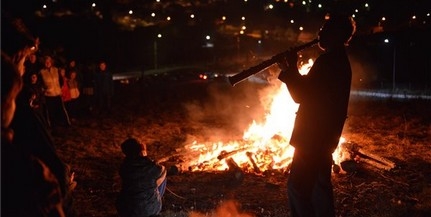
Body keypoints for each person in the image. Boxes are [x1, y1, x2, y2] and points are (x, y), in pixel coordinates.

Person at [276, 13, 356, 217]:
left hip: (311, 137)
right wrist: (289, 70)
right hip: (326, 136)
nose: (320, 33)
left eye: (325, 29)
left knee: (298, 189)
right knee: (319, 188)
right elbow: (311, 92)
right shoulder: (339, 62)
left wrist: (290, 68)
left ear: (337, 34)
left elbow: (301, 95)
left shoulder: (328, 62)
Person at [116, 138, 167, 217]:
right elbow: (163, 169)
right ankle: (154, 200)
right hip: (146, 210)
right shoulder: (150, 167)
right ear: (140, 149)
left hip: (125, 208)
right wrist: (145, 156)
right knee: (161, 177)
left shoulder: (124, 167)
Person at [39, 55, 71, 127]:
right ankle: (53, 125)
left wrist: (60, 87)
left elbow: (61, 80)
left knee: (61, 109)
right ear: (44, 63)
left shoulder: (56, 70)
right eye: (46, 62)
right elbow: (40, 83)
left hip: (57, 93)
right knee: (51, 111)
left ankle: (66, 123)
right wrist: (44, 89)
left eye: (49, 62)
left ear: (51, 62)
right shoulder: (41, 72)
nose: (47, 63)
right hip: (48, 95)